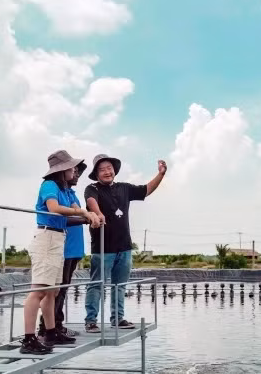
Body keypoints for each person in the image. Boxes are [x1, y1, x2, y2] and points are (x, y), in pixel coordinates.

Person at [21, 150, 100, 355]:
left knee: (53, 291)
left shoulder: (65, 190)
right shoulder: (49, 185)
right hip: (46, 238)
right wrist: (82, 212)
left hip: (58, 238)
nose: (75, 171)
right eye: (72, 168)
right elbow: (54, 208)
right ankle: (28, 339)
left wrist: (91, 214)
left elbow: (76, 207)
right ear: (62, 169)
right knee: (38, 291)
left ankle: (51, 331)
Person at [83, 154, 167, 332]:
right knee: (97, 284)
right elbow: (91, 203)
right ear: (96, 174)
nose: (107, 172)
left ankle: (117, 318)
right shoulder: (92, 188)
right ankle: (91, 320)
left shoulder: (124, 188)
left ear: (114, 170)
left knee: (119, 286)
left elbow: (146, 190)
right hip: (103, 248)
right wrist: (98, 213)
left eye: (109, 168)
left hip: (124, 247)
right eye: (102, 169)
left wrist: (161, 174)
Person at [38, 158, 97, 338]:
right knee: (56, 289)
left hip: (73, 247)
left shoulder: (70, 194)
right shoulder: (53, 189)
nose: (76, 174)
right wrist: (85, 216)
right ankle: (49, 326)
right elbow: (60, 214)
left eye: (78, 171)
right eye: (74, 171)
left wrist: (88, 216)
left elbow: (78, 211)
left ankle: (57, 324)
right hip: (62, 246)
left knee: (62, 289)